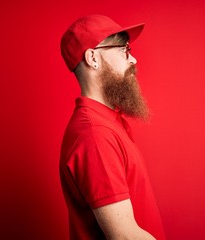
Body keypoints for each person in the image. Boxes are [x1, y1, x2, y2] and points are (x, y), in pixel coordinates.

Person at [59, 14, 166, 240]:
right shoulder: (95, 135)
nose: (133, 59)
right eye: (123, 49)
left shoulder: (105, 124)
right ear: (93, 58)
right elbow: (125, 237)